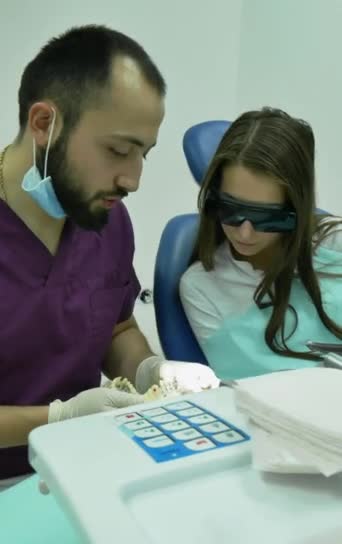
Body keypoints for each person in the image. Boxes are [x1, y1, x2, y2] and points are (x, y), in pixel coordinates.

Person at [0, 25, 218, 484]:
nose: (132, 180)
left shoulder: (107, 220)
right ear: (44, 124)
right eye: (118, 150)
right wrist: (57, 419)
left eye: (143, 155)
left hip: (84, 467)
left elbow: (117, 325)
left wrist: (150, 370)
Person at [180, 107, 342, 381]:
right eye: (231, 210)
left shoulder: (335, 243)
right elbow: (255, 394)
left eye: (268, 217)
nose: (244, 233)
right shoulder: (203, 287)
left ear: (297, 211)